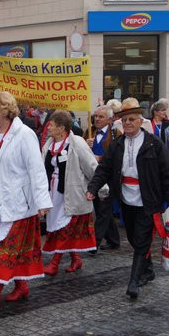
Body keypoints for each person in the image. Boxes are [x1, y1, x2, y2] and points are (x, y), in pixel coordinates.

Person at [86, 98, 169, 299]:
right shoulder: (117, 144)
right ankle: (148, 270)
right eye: (124, 120)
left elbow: (167, 173)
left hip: (148, 200)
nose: (127, 123)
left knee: (142, 239)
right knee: (134, 239)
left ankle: (133, 281)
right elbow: (104, 169)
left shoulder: (154, 144)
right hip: (126, 200)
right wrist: (93, 188)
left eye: (132, 119)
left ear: (141, 121)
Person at [0, 92, 52, 312]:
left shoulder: (24, 134)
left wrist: (42, 201)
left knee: (5, 247)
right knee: (0, 245)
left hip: (17, 202)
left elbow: (36, 169)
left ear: (6, 111)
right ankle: (21, 286)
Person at [41, 110, 99, 274]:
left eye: (51, 125)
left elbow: (91, 166)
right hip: (53, 193)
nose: (48, 128)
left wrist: (100, 188)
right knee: (58, 226)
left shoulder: (77, 143)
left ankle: (54, 263)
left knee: (65, 228)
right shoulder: (49, 144)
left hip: (71, 193)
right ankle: (76, 259)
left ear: (61, 128)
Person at [83, 105, 121, 251]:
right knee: (101, 209)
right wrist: (86, 145)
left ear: (110, 119)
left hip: (108, 176)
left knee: (104, 209)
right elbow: (80, 151)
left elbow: (118, 155)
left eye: (101, 117)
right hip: (93, 176)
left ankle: (94, 242)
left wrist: (101, 157)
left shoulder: (115, 134)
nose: (97, 119)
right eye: (96, 116)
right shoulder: (89, 132)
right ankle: (114, 239)